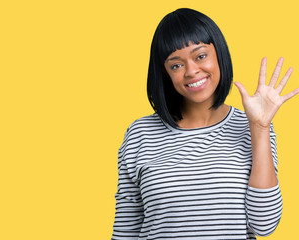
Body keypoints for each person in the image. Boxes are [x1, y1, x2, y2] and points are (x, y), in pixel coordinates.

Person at [111, 8, 299, 240]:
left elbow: (264, 225)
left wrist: (259, 128)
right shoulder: (140, 134)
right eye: (176, 65)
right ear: (165, 73)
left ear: (218, 54)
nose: (191, 71)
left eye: (200, 56)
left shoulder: (253, 127)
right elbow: (126, 228)